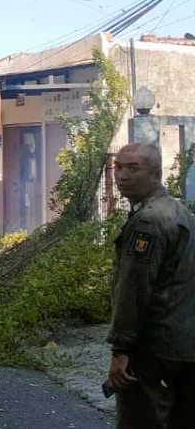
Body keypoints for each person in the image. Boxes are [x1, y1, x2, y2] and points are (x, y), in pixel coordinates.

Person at [106, 143, 195, 428]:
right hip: (183, 345)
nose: (122, 176)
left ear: (156, 175)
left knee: (141, 420)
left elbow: (134, 290)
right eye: (118, 167)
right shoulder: (180, 213)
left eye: (134, 169)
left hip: (154, 348)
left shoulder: (148, 221)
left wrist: (120, 350)